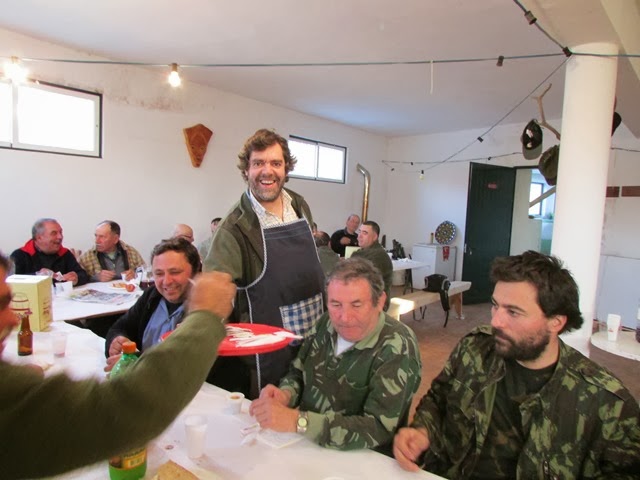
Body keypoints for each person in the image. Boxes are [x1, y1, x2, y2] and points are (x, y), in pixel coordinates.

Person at [393, 250, 640, 479]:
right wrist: (422, 431)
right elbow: (439, 399)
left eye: (513, 312)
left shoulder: (606, 403)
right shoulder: (475, 349)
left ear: (555, 322)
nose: (496, 321)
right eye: (495, 305)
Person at [0, 252, 236, 479]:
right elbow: (120, 411)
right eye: (1, 305)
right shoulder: (152, 298)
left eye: (175, 272)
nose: (13, 318)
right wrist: (205, 317)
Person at [249, 257, 422, 452]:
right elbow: (298, 371)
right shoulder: (326, 323)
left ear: (380, 301)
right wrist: (286, 394)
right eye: (335, 304)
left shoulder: (398, 346)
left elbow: (378, 428)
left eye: (356, 305)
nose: (344, 318)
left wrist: (299, 422)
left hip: (361, 459)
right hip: (310, 446)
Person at [205, 128, 324, 399]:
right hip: (270, 352)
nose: (267, 171)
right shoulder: (234, 228)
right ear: (246, 170)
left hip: (315, 335)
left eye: (275, 163)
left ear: (286, 168)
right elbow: (213, 291)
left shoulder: (299, 204)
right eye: (258, 163)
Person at [104, 237, 200, 367]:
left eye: (175, 272)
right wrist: (117, 341)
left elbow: (187, 361)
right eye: (159, 274)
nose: (166, 281)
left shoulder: (207, 306)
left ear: (195, 272)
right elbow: (120, 327)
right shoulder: (152, 296)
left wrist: (136, 361)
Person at [10, 218, 89, 286]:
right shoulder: (19, 256)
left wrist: (76, 278)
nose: (60, 237)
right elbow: (11, 281)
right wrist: (37, 275)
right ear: (39, 237)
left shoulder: (65, 254)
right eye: (54, 233)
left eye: (61, 232)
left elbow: (83, 275)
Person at [79, 220, 145, 282]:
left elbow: (146, 273)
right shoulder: (88, 256)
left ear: (115, 239)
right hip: (101, 290)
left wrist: (136, 275)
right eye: (96, 236)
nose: (97, 241)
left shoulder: (130, 252)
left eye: (102, 237)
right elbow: (79, 278)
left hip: (127, 289)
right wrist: (96, 277)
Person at [351, 220, 393, 310]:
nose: (359, 236)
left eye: (365, 233)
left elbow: (366, 284)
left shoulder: (378, 256)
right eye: (359, 232)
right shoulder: (361, 252)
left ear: (374, 237)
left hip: (375, 303)